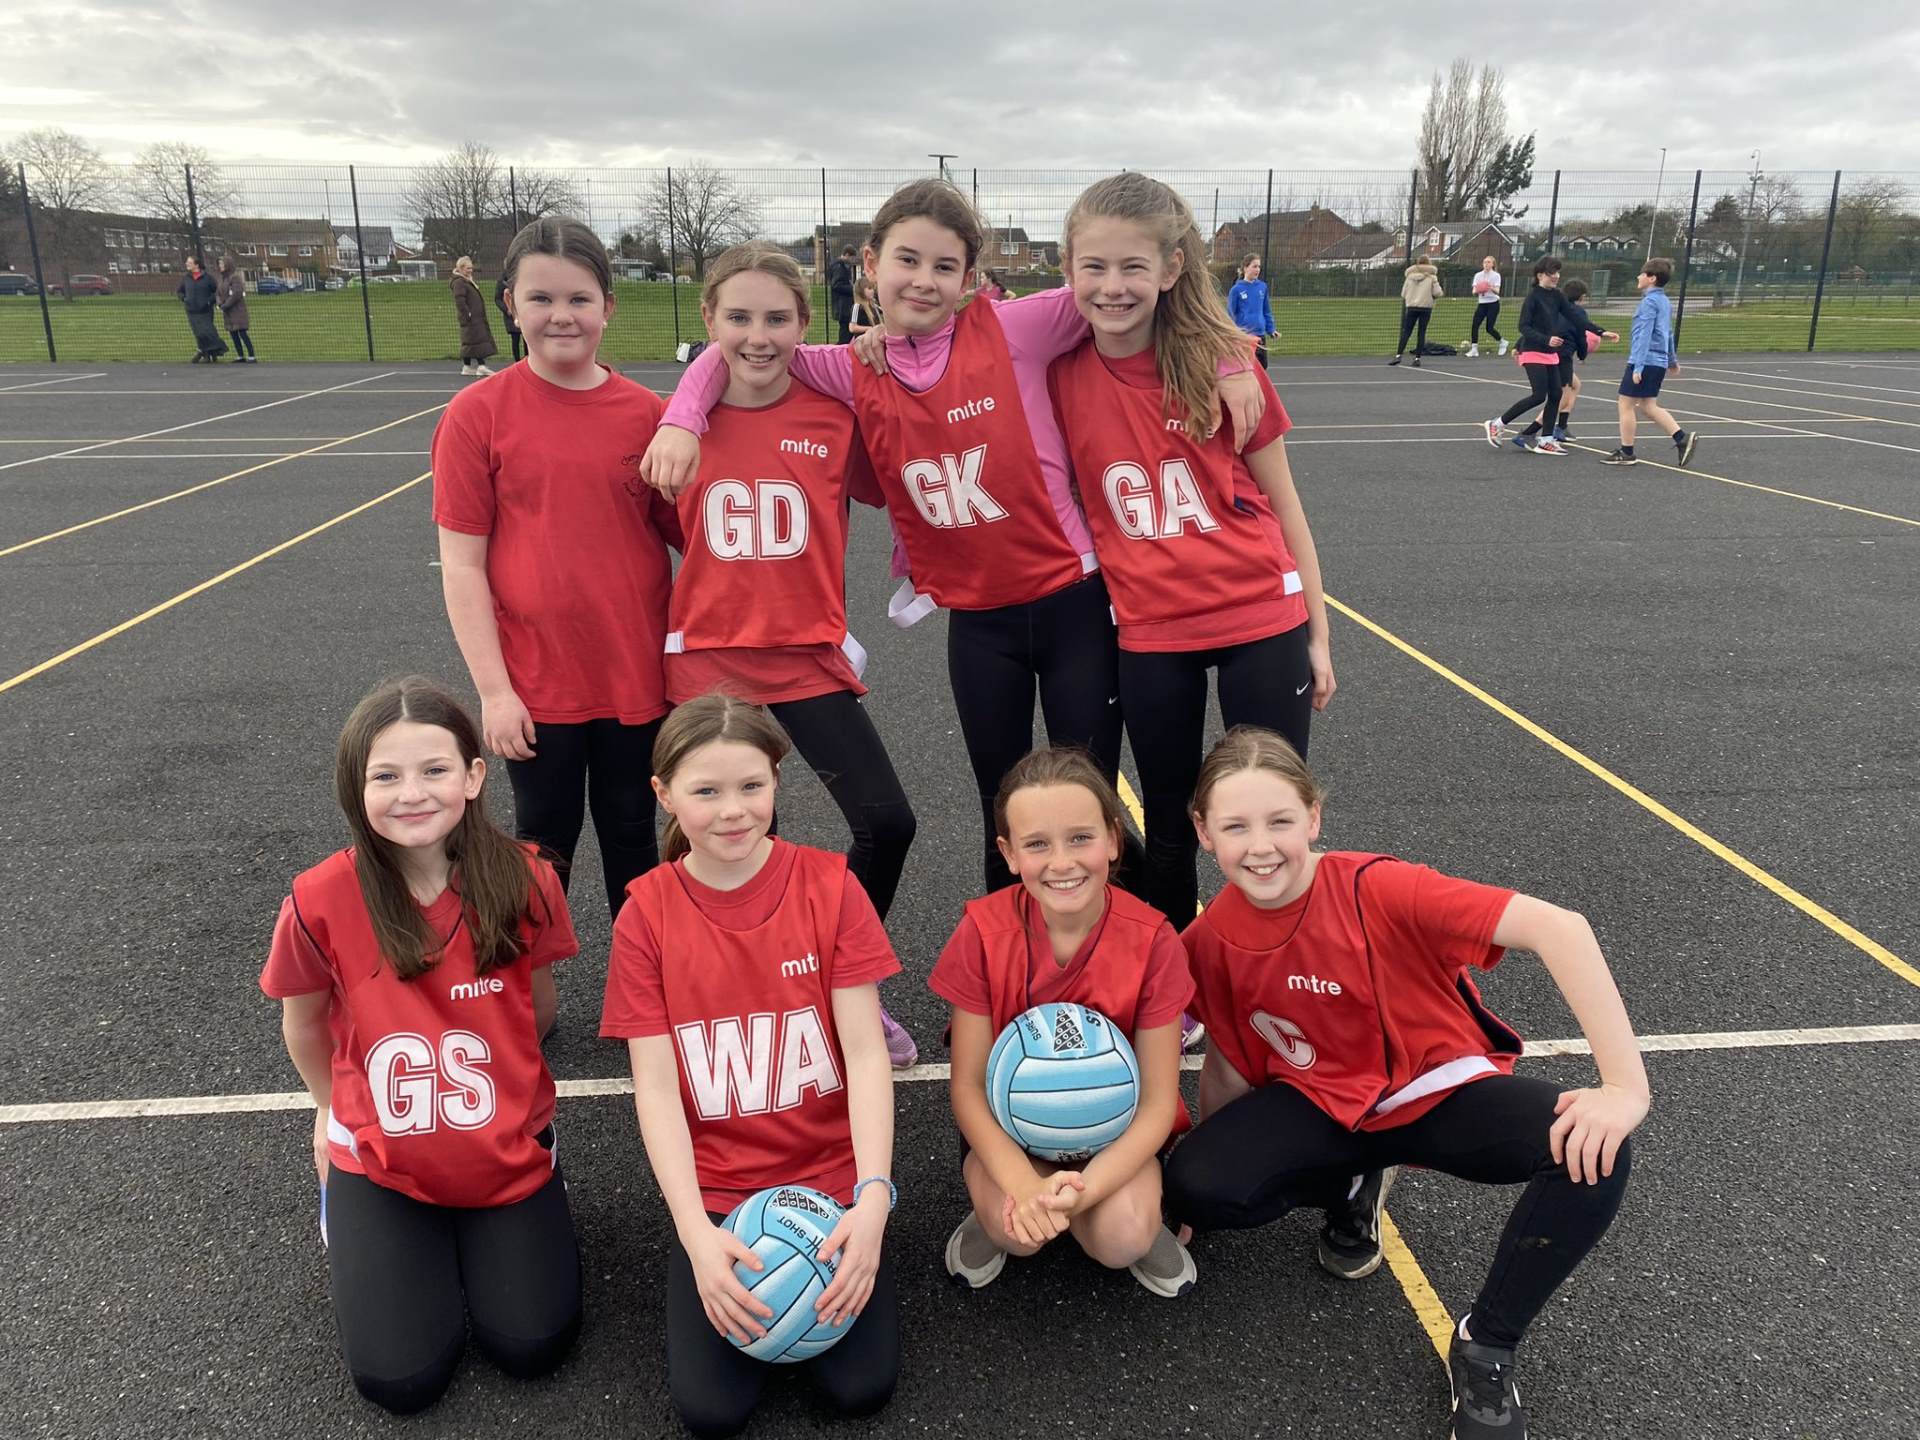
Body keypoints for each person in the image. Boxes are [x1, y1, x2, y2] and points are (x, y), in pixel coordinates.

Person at [642, 177, 1264, 896]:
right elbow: (734, 350)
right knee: (1000, 805)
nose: (923, 280)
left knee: (1087, 798)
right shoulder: (850, 367)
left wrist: (1229, 355)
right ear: (871, 263)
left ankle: (1119, 951)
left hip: (1073, 603)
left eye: (944, 266)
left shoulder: (1017, 327)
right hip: (978, 622)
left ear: (969, 278)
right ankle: (1003, 957)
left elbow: (1135, 288)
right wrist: (681, 418)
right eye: (907, 260)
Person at [1164, 726, 1648, 1440]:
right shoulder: (1207, 942)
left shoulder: (1377, 887)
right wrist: (1202, 1181)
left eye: (1280, 821)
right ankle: (1352, 1185)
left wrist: (1624, 1089)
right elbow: (1230, 1062)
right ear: (1204, 832)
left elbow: (1561, 929)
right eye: (1236, 827)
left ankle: (1487, 1344)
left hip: (1434, 1094)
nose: (1260, 846)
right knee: (1195, 1185)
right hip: (1325, 1109)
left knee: (1592, 1151)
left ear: (1314, 818)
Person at [260, 677, 582, 1414]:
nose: (412, 793)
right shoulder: (318, 897)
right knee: (401, 1381)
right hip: (383, 1154)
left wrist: (502, 1092)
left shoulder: (528, 878)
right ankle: (361, 1211)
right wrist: (328, 1110)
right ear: (356, 786)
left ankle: (508, 1201)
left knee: (533, 1346)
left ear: (473, 776)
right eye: (386, 776)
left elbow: (537, 1007)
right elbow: (303, 1024)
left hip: (501, 1142)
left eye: (434, 769)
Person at [604, 695, 899, 1438]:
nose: (733, 811)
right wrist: (695, 1235)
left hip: (830, 1185)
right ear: (664, 794)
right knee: (712, 1410)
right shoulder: (645, 915)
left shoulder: (830, 885)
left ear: (775, 782)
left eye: (751, 786)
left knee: (860, 1390)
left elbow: (867, 1055)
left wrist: (872, 1201)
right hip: (720, 1195)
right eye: (706, 791)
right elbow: (656, 1090)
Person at [1050, 170, 1333, 945]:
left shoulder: (1223, 366)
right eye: (1094, 266)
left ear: (1172, 269)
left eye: (1133, 267)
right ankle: (1175, 984)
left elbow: (1286, 506)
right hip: (1151, 633)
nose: (1112, 286)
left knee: (1266, 819)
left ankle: (1281, 969)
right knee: (1172, 824)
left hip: (1259, 619)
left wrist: (1317, 631)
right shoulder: (1057, 376)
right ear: (1067, 268)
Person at [665, 241, 920, 1067]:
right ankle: (735, 995)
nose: (758, 335)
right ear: (710, 320)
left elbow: (909, 472)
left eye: (777, 318)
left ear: (804, 324)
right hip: (709, 660)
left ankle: (840, 978)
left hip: (805, 653)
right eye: (738, 317)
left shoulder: (833, 417)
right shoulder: (675, 426)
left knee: (887, 822)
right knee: (733, 839)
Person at [434, 217, 683, 925]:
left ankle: (644, 977)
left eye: (579, 299)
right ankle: (528, 982)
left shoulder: (648, 415)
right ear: (510, 305)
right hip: (537, 681)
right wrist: (494, 691)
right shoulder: (476, 414)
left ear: (609, 306)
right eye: (541, 299)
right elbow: (462, 564)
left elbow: (694, 541)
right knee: (544, 844)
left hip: (636, 672)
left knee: (633, 832)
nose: (561, 316)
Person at [930, 746, 1197, 1297]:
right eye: (1037, 844)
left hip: (1114, 1135)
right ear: (1008, 853)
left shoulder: (1154, 940)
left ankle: (1127, 1214)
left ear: (1114, 840)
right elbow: (969, 1087)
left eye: (1080, 838)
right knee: (1017, 1233)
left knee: (1122, 1240)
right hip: (1013, 1132)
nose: (1061, 862)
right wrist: (1022, 1185)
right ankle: (994, 1212)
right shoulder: (981, 932)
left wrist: (1082, 1192)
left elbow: (1156, 1103)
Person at [1604, 257, 1697, 467]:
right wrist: (1671, 358)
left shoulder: (1649, 303)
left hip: (1645, 360)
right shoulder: (1664, 302)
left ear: (1652, 278)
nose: (1638, 277)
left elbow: (1644, 335)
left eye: (1642, 274)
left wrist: (1638, 366)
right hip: (1658, 361)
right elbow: (1668, 333)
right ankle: (1681, 438)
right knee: (1647, 405)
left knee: (1625, 404)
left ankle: (1627, 452)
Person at [1484, 256, 1576, 455]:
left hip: (1549, 353)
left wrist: (1600, 331)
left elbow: (1574, 316)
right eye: (1552, 273)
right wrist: (1545, 340)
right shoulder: (1533, 297)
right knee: (1538, 395)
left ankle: (1546, 440)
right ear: (1540, 275)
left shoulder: (1557, 296)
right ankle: (1497, 423)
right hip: (1532, 350)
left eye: (1558, 272)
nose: (1556, 276)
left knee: (1556, 394)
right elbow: (1523, 326)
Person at [1516, 278, 1618, 446]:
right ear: (1582, 297)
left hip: (1549, 352)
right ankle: (1530, 431)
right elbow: (1581, 335)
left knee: (1575, 385)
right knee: (1560, 397)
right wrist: (1583, 354)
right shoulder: (1577, 312)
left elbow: (1538, 327)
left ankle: (1561, 426)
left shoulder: (1554, 308)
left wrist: (1518, 345)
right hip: (1561, 355)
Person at [1389, 252, 1444, 366]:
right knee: (1421, 332)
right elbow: (1438, 292)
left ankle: (1398, 355)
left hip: (1412, 306)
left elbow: (1403, 293)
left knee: (1406, 331)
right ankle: (1417, 358)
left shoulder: (1410, 277)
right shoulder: (1432, 277)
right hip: (1425, 307)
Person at [1226, 253, 1278, 368]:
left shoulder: (1262, 287)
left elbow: (1266, 311)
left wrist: (1271, 329)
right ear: (1245, 268)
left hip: (1260, 335)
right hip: (1245, 336)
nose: (1257, 269)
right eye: (1254, 266)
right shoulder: (1236, 290)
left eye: (1259, 266)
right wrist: (1232, 334)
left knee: (1262, 367)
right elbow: (1230, 314)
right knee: (1246, 368)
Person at [450, 255, 498, 377]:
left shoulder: (467, 281)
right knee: (475, 340)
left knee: (471, 341)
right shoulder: (459, 282)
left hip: (475, 317)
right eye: (468, 268)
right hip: (471, 318)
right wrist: (468, 313)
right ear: (461, 268)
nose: (470, 270)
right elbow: (460, 300)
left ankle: (467, 366)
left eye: (471, 268)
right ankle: (481, 365)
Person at [175, 257, 228, 363]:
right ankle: (206, 354)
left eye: (189, 262)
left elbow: (216, 291)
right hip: (191, 310)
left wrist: (209, 301)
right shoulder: (186, 278)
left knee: (207, 331)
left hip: (205, 310)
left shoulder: (207, 278)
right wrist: (185, 299)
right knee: (198, 333)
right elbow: (180, 291)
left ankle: (216, 350)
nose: (187, 264)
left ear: (196, 265)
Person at [216, 256, 256, 363]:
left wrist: (226, 305)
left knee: (242, 333)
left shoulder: (235, 278)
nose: (220, 266)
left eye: (222, 264)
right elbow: (218, 293)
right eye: (219, 264)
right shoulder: (221, 279)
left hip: (237, 310)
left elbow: (236, 294)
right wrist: (219, 303)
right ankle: (240, 355)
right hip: (228, 312)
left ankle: (251, 355)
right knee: (233, 333)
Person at [1465, 255, 1505, 357]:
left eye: (1488, 262)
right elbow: (1474, 291)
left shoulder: (1496, 276)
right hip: (1482, 303)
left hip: (1493, 303)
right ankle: (1474, 349)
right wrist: (1479, 289)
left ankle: (1502, 342)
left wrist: (1489, 287)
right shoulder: (1478, 275)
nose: (1486, 264)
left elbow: (1497, 291)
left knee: (1489, 328)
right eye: (1484, 262)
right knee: (1475, 325)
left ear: (1493, 264)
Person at [828, 244, 857, 343]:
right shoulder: (839, 267)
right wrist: (853, 289)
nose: (853, 261)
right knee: (844, 336)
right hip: (843, 306)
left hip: (845, 305)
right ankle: (838, 351)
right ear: (847, 255)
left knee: (847, 334)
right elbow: (836, 285)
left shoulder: (843, 266)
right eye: (852, 258)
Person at [495, 272, 525, 362]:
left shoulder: (522, 275)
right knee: (515, 339)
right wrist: (507, 310)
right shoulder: (502, 281)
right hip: (511, 315)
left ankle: (528, 360)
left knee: (527, 339)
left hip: (523, 313)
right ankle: (517, 360)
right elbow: (497, 299)